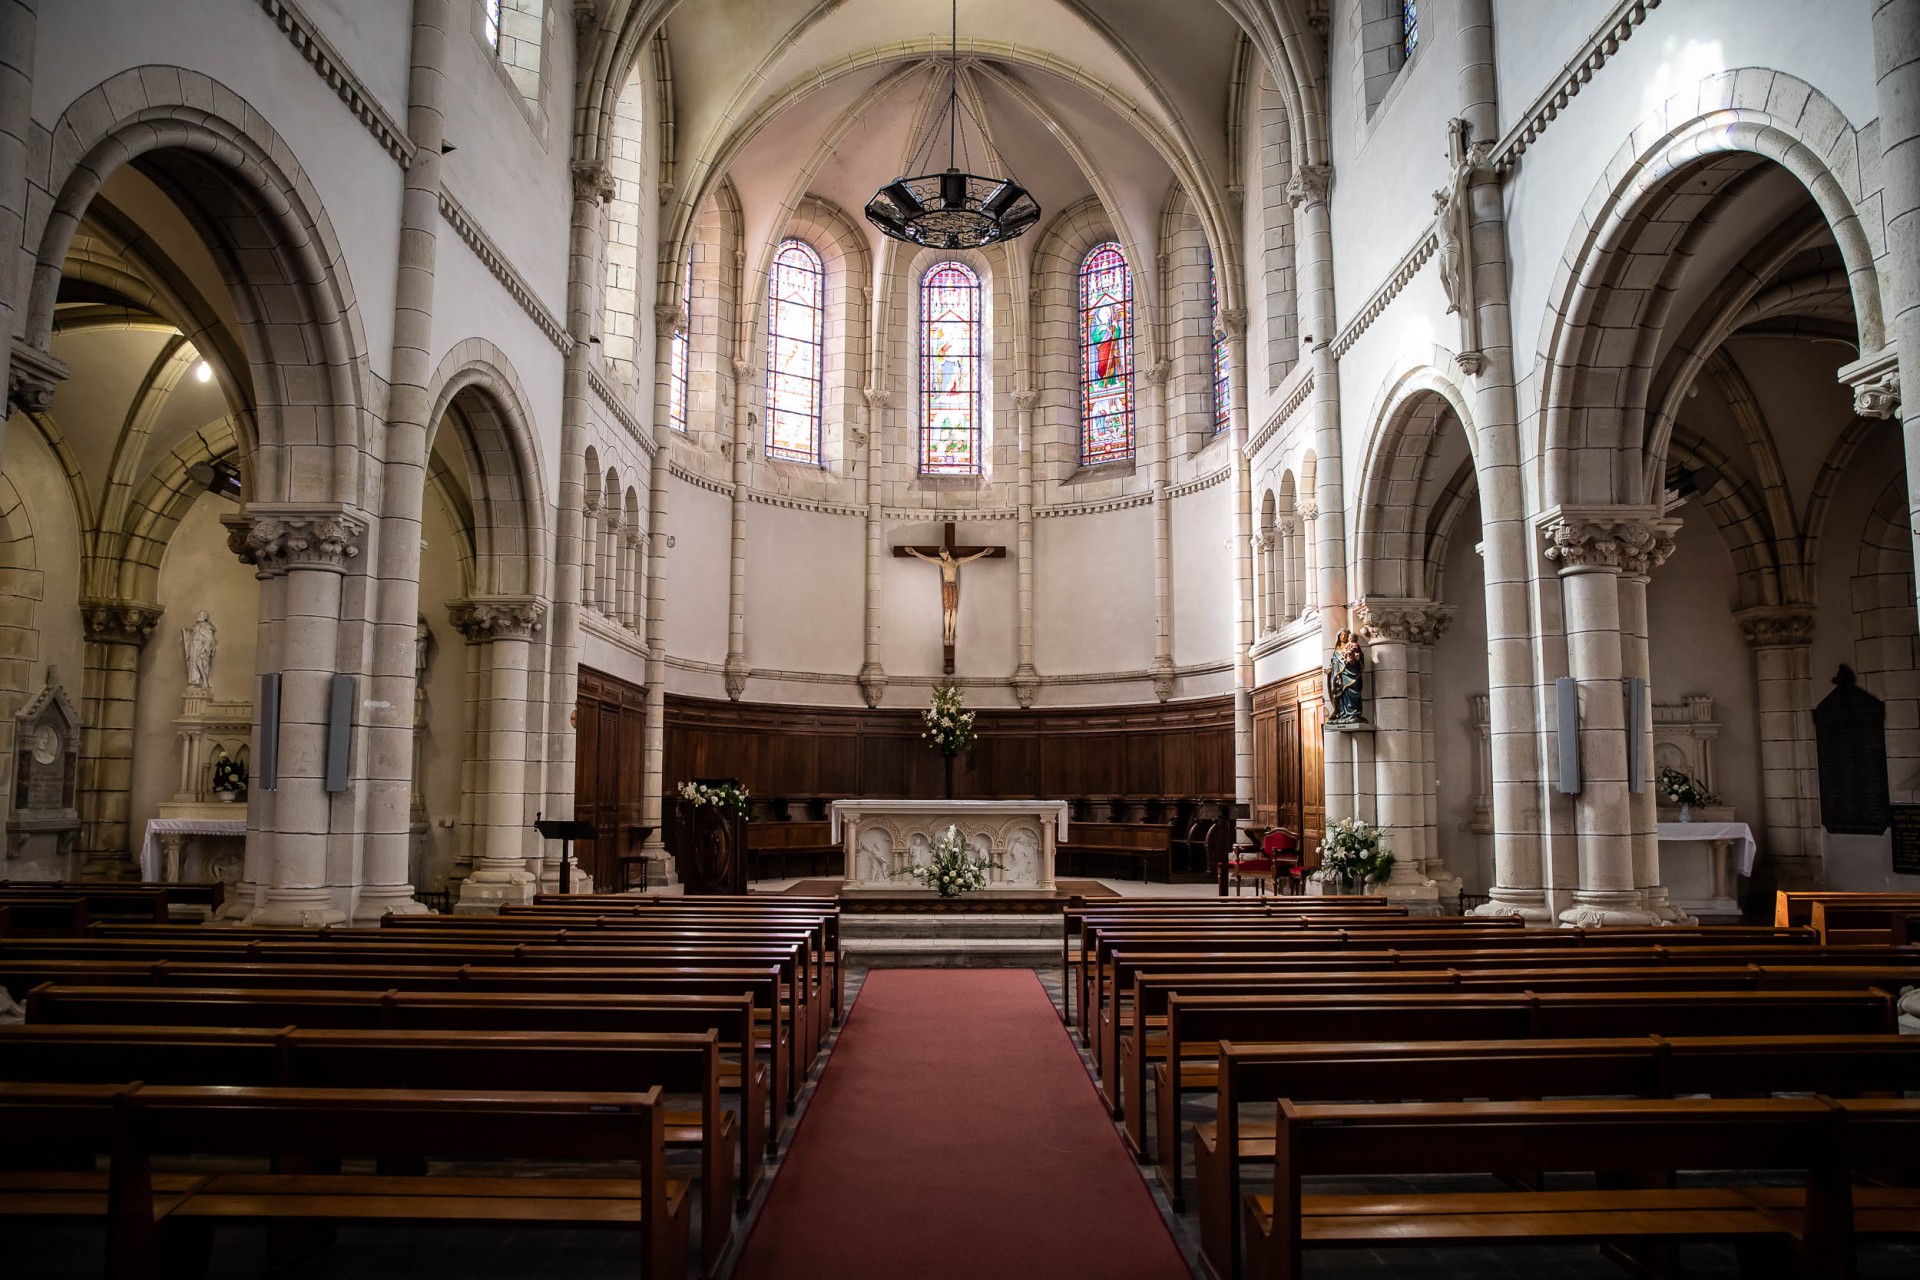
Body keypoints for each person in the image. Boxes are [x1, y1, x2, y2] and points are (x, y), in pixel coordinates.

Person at [1325, 628, 1365, 723]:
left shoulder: (1354, 646)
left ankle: (1353, 713)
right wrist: (1330, 669)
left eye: (1345, 635)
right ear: (1338, 637)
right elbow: (1334, 662)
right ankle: (1342, 713)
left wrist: (1354, 660)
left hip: (1352, 674)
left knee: (1352, 692)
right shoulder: (1337, 650)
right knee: (1341, 694)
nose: (1343, 637)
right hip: (1341, 677)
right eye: (1341, 635)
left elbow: (1359, 659)